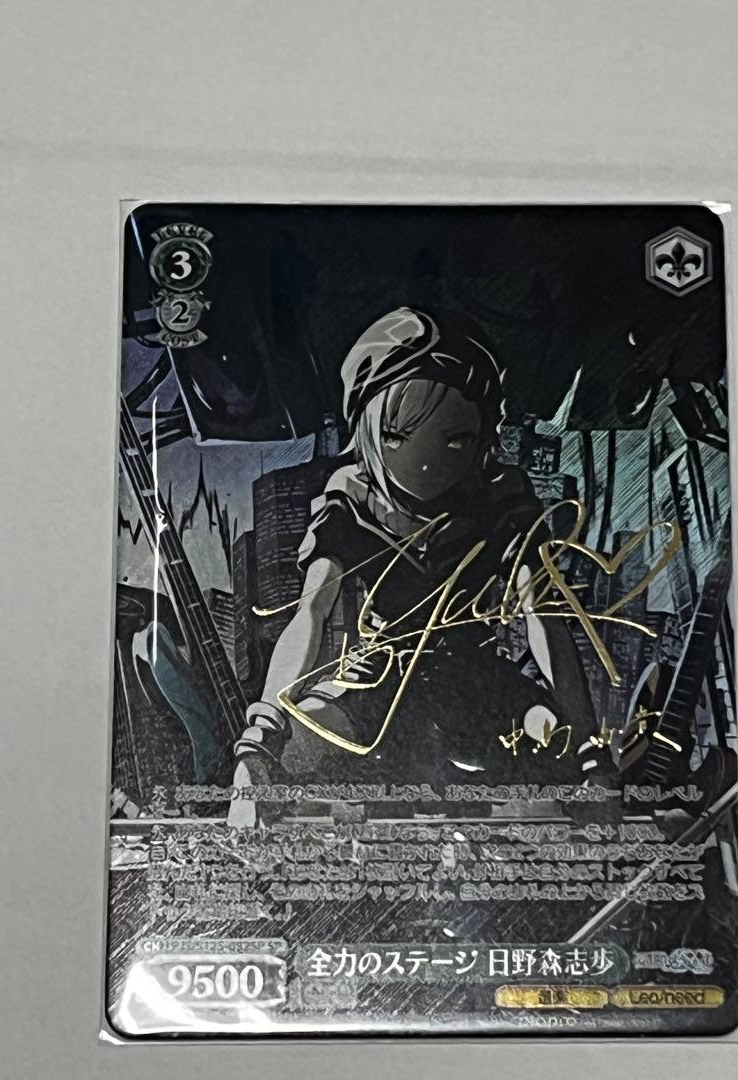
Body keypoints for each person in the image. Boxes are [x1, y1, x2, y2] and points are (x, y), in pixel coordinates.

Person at [229, 307, 592, 821]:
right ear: (370, 429)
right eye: (399, 436)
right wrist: (261, 741)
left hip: (476, 680)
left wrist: (589, 749)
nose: (425, 462)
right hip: (377, 675)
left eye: (455, 439)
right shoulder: (352, 493)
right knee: (295, 749)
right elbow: (310, 613)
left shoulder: (501, 494)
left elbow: (543, 617)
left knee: (554, 741)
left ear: (483, 433)